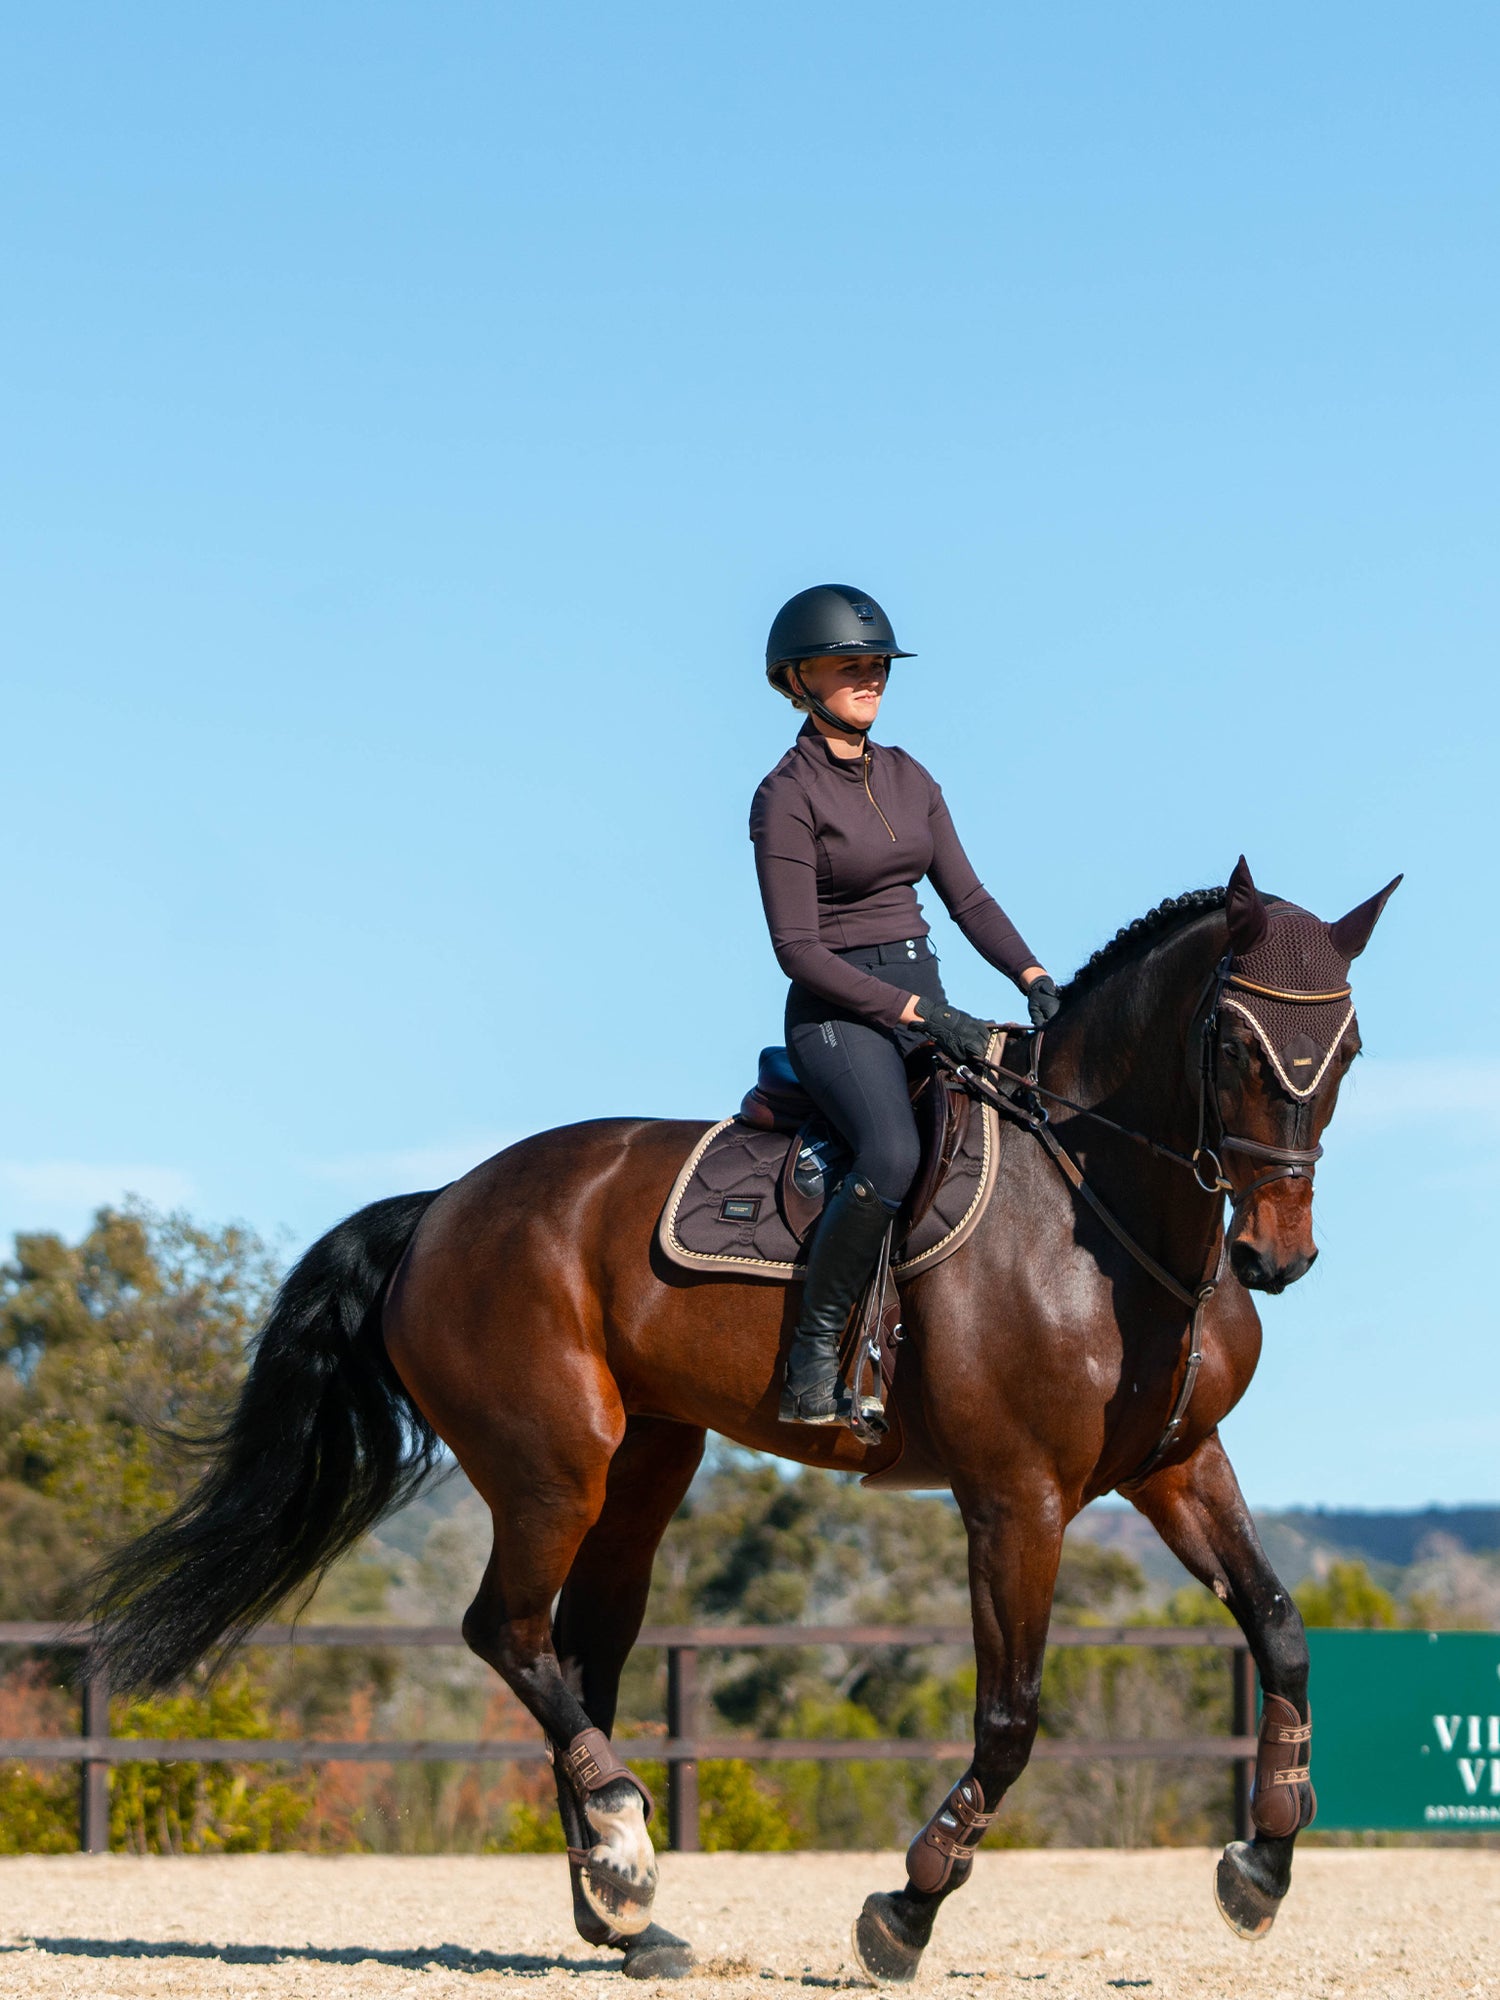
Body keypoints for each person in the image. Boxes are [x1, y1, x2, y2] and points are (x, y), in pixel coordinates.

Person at [750, 584, 1060, 1425]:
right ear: (797, 680)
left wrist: (1034, 979)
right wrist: (917, 1016)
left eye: (878, 663)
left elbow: (969, 898)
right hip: (838, 1012)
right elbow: (798, 950)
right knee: (890, 1153)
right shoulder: (785, 795)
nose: (872, 676)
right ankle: (813, 1354)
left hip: (926, 993)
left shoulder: (910, 775)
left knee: (1017, 1132)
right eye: (852, 665)